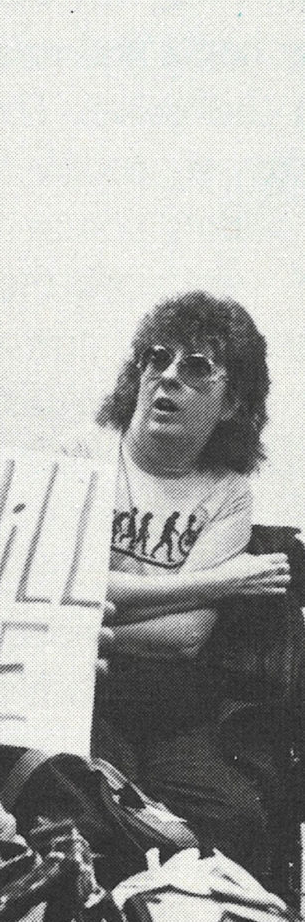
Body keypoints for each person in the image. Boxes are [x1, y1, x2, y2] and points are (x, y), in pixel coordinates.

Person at [92, 291, 290, 872]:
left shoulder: (229, 492)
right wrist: (220, 579)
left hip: (169, 706)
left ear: (231, 404)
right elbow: (64, 596)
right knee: (88, 804)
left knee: (237, 821)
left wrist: (97, 610)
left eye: (197, 367)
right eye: (157, 359)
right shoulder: (82, 459)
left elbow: (183, 637)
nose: (168, 377)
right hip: (82, 687)